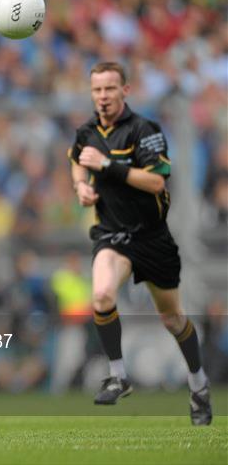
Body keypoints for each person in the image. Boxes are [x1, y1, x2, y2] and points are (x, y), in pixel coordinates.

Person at [68, 61, 212, 425]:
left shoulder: (145, 131)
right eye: (97, 90)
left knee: (173, 318)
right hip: (113, 236)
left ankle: (198, 384)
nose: (103, 96)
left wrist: (107, 166)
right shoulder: (87, 132)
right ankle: (118, 375)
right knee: (101, 296)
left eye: (110, 89)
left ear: (125, 91)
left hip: (151, 238)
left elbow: (156, 183)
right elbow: (77, 161)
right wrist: (81, 186)